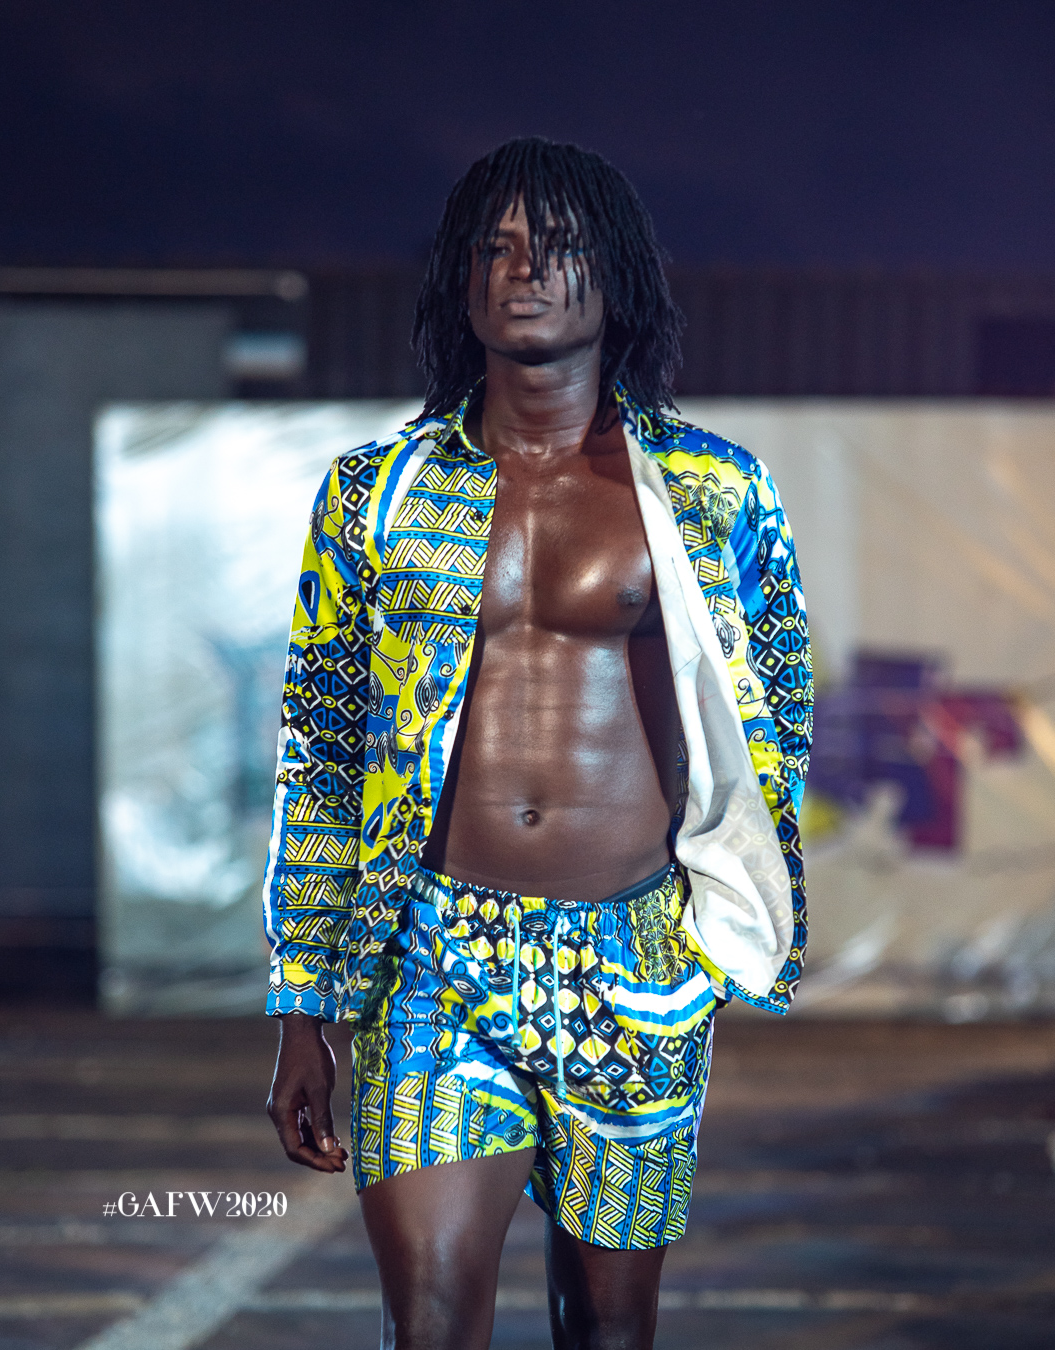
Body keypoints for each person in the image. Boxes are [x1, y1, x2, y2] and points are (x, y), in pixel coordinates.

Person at [263, 137, 812, 1349]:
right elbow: (321, 747)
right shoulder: (374, 495)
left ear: (615, 278)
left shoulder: (713, 493)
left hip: (636, 964)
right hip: (431, 955)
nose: (524, 269)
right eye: (496, 246)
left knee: (606, 1333)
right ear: (461, 282)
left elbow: (773, 721)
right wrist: (303, 1003)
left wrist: (716, 940)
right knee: (430, 1324)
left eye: (557, 246)